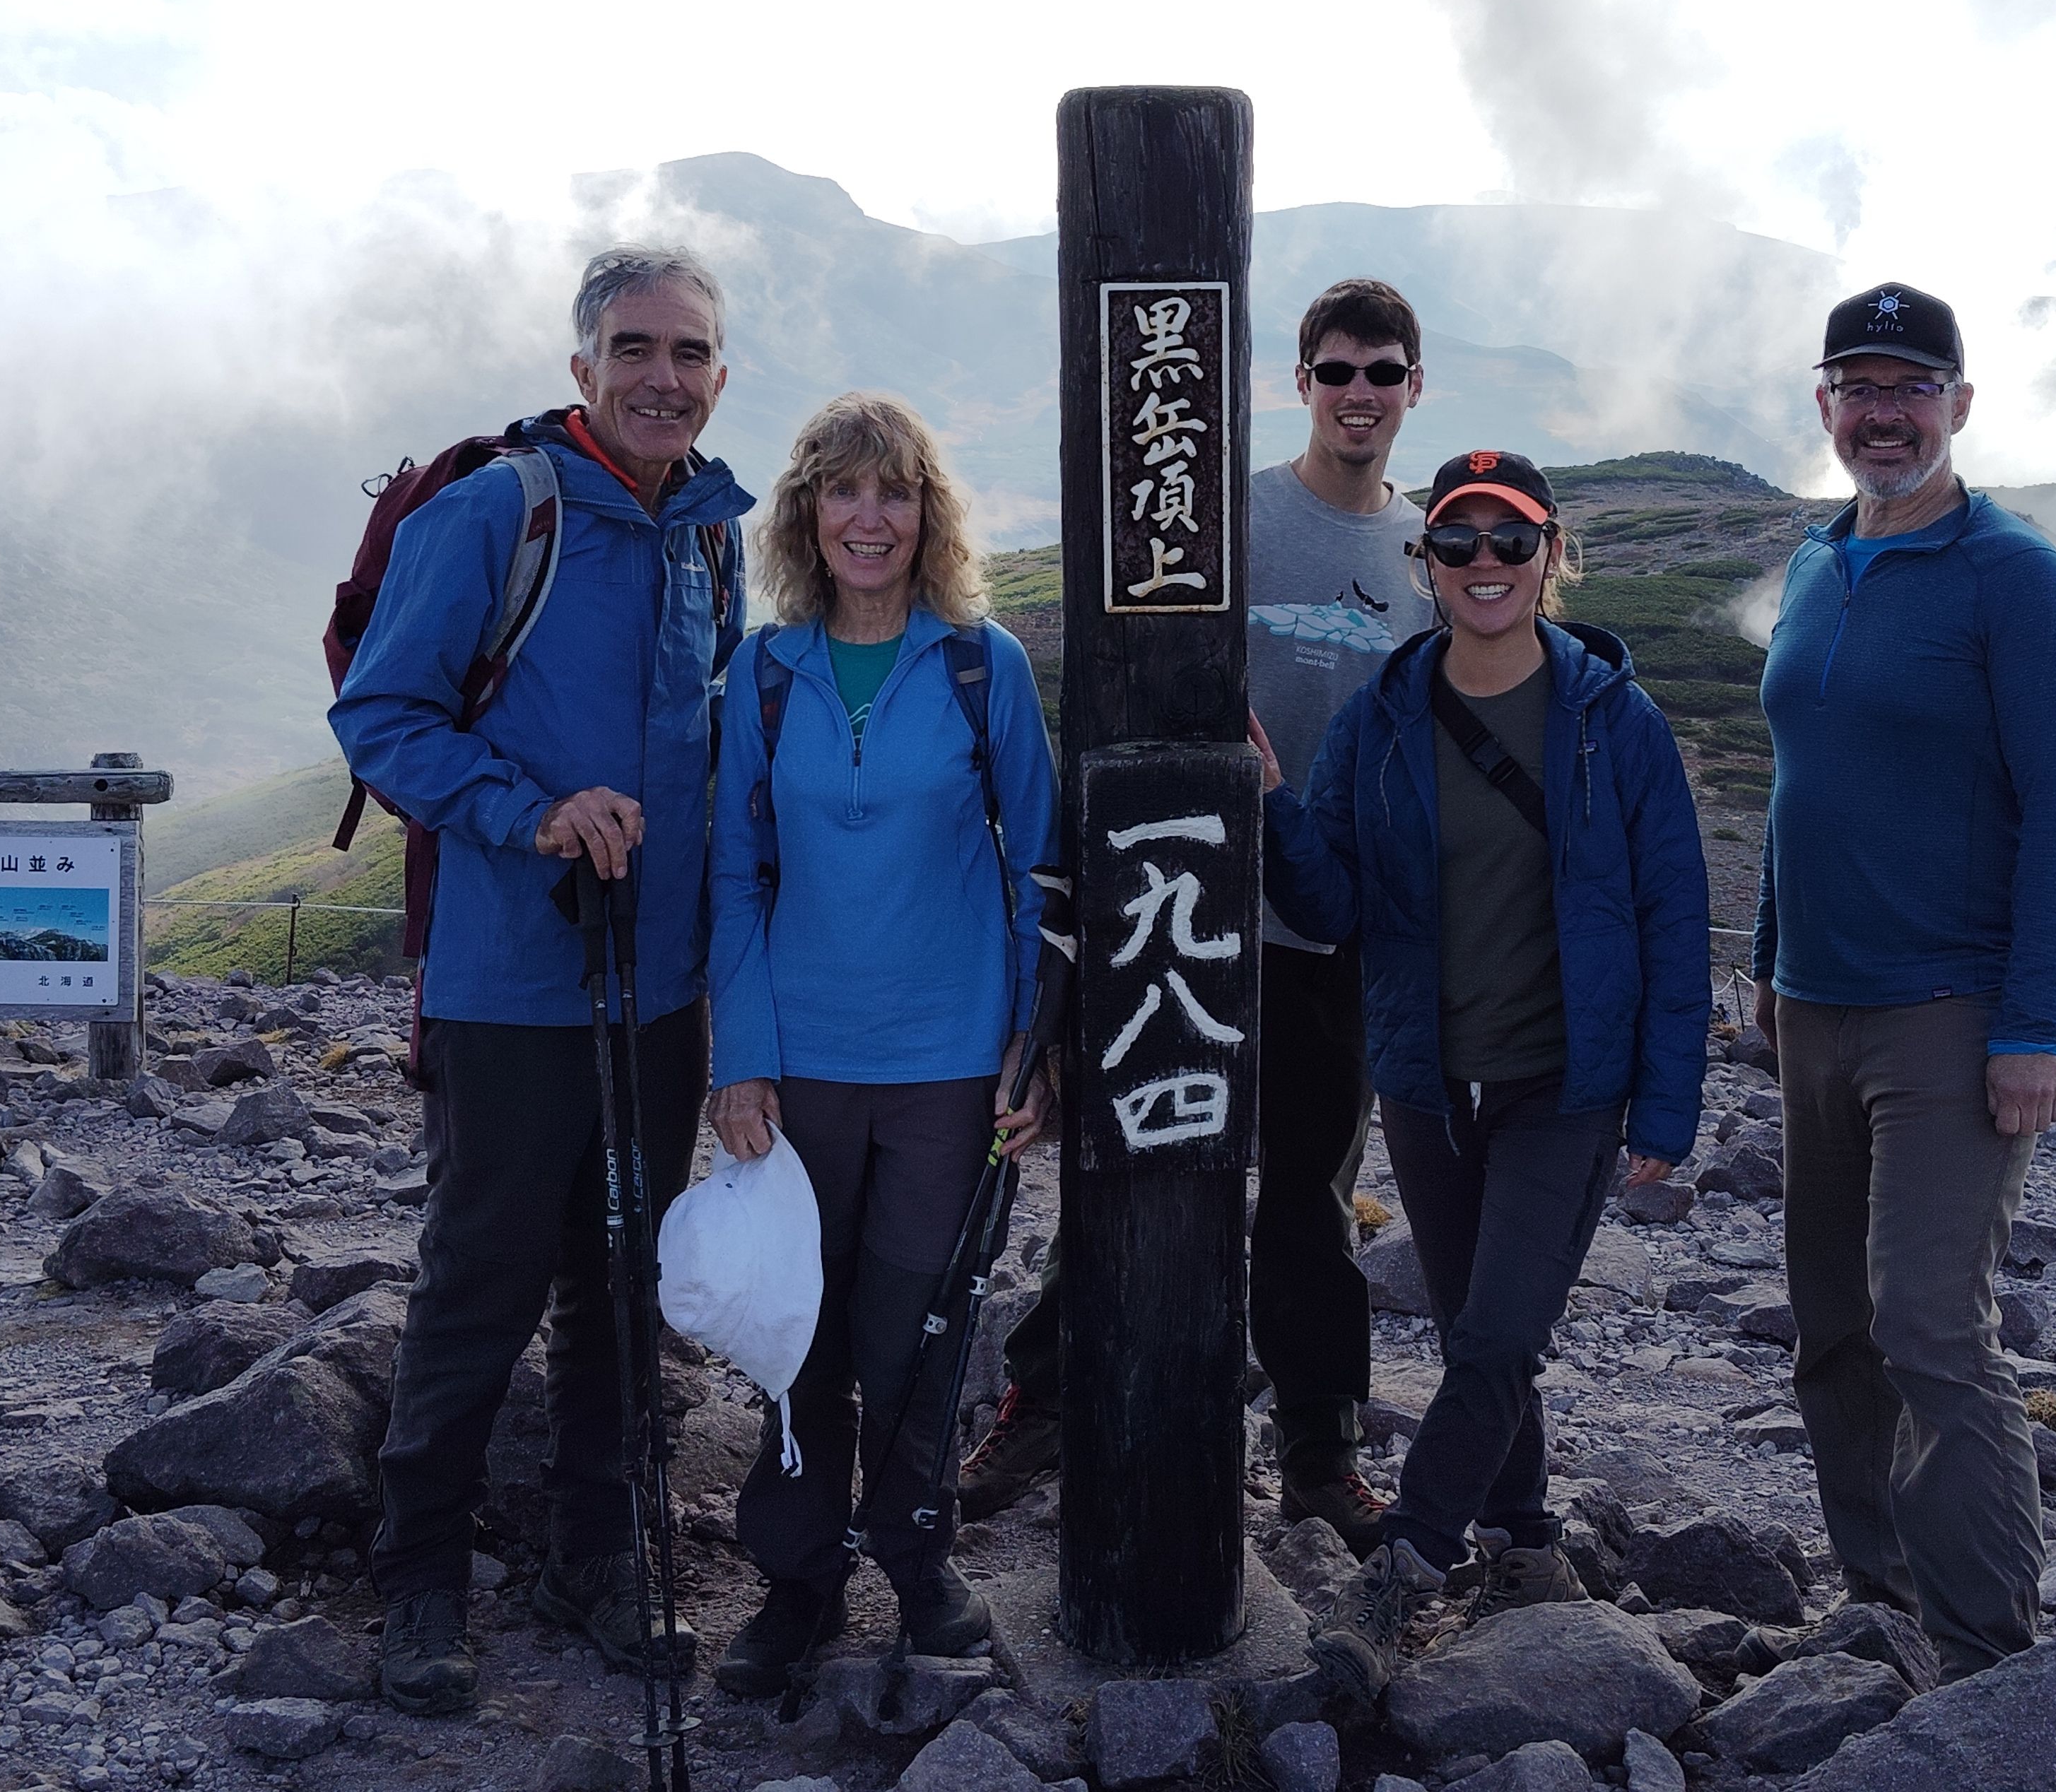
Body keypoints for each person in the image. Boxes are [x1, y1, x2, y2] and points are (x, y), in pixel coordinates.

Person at [331, 245, 753, 1714]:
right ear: (582, 367)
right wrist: (533, 811)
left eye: (690, 353)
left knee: (621, 1280)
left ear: (718, 374)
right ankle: (422, 1580)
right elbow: (379, 715)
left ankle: (599, 1556)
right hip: (513, 978)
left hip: (661, 989)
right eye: (634, 348)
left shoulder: (712, 529)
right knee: (481, 1282)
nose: (663, 377)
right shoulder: (496, 514)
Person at [961, 278, 1433, 1550]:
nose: (1359, 394)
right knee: (1134, 1166)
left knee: (1311, 1204)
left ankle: (1322, 1451)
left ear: (1414, 389)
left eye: (1383, 373)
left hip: (1327, 934)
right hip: (1179, 910)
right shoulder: (1232, 517)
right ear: (1299, 383)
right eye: (1336, 371)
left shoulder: (1429, 553)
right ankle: (1048, 1401)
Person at [1257, 449, 1713, 1704]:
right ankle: (1527, 1544)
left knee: (1505, 1330)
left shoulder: (1614, 721)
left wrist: (1666, 1103)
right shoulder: (1385, 715)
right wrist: (1275, 809)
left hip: (1564, 1084)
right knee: (1476, 1339)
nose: (1484, 566)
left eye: (1511, 543)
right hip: (1423, 1078)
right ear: (1429, 567)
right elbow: (1336, 900)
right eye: (1458, 544)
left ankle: (1402, 1572)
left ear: (1551, 556)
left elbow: (1676, 915)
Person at [1752, 281, 2056, 1680]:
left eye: (1912, 388)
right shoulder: (1815, 561)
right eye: (1859, 385)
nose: (1883, 413)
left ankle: (1984, 1653)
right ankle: (1878, 1595)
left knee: (1926, 1322)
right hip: (1819, 1009)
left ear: (1959, 407)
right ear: (1825, 402)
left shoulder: (2015, 577)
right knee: (1832, 1323)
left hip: (1950, 1015)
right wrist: (1776, 963)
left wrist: (2034, 1028)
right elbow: (1799, 783)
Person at [703, 392, 1059, 1698]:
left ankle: (919, 1559)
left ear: (928, 515)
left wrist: (1034, 1047)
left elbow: (1041, 871)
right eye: (844, 493)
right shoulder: (766, 672)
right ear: (807, 513)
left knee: (919, 1327)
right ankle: (796, 1582)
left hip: (950, 1064)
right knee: (802, 1333)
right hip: (798, 1065)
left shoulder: (983, 666)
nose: (870, 518)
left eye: (895, 494)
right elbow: (736, 872)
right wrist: (737, 1055)